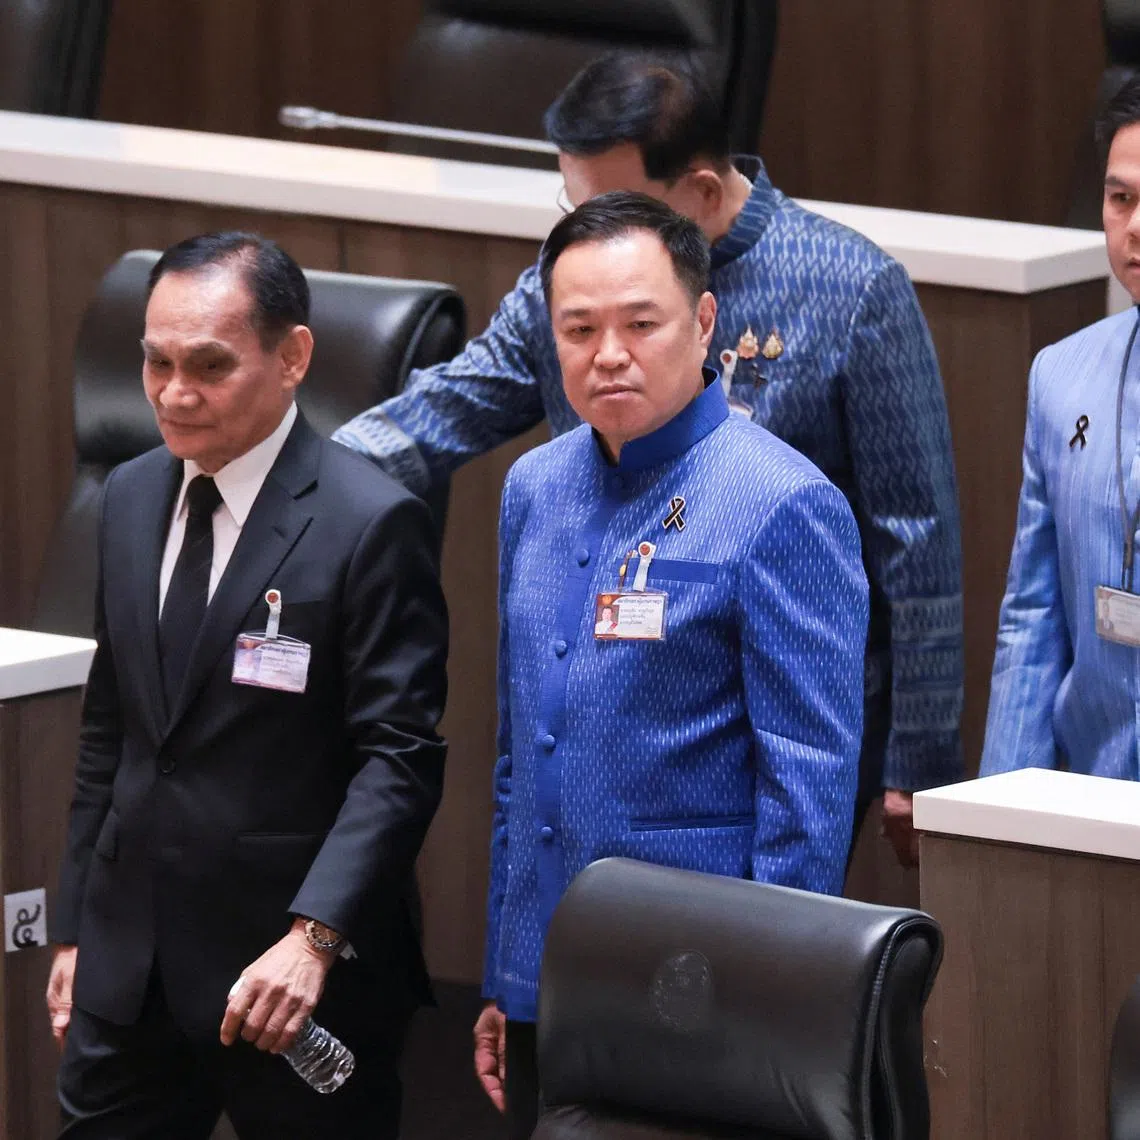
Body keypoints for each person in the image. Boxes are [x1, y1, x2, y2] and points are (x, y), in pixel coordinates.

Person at [334, 53, 963, 867]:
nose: (589, 235)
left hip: (770, 717)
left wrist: (922, 760)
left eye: (612, 207)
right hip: (600, 712)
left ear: (701, 193)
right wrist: (299, 483)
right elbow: (441, 412)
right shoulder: (573, 277)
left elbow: (917, 540)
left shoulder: (851, 288)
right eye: (575, 205)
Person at [473, 191, 869, 1137]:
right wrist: (504, 972)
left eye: (639, 323)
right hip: (547, 974)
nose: (608, 353)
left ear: (702, 323)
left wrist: (769, 1002)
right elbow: (517, 755)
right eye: (578, 328)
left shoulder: (781, 503)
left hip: (698, 983)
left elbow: (807, 793)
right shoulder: (535, 485)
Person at [44, 232, 448, 1138]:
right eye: (155, 363)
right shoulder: (130, 498)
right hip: (131, 965)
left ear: (292, 357)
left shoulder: (370, 522)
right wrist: (76, 922)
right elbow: (111, 727)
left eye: (210, 366)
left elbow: (400, 761)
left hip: (290, 975)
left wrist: (314, 940)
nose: (174, 393)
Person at [981, 76, 1140, 777]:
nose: (1133, 226)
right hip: (1091, 791)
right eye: (1120, 199)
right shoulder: (1062, 375)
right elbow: (1033, 616)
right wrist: (1003, 812)